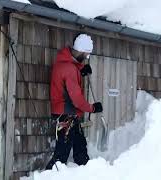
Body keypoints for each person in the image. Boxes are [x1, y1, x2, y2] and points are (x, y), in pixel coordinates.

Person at [46, 34, 103, 169]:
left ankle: (87, 174)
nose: (86, 58)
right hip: (66, 115)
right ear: (81, 51)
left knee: (80, 149)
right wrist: (92, 108)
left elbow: (68, 73)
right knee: (61, 156)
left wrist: (81, 69)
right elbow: (76, 99)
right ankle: (48, 176)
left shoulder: (64, 63)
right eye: (86, 55)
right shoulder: (70, 69)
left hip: (67, 113)